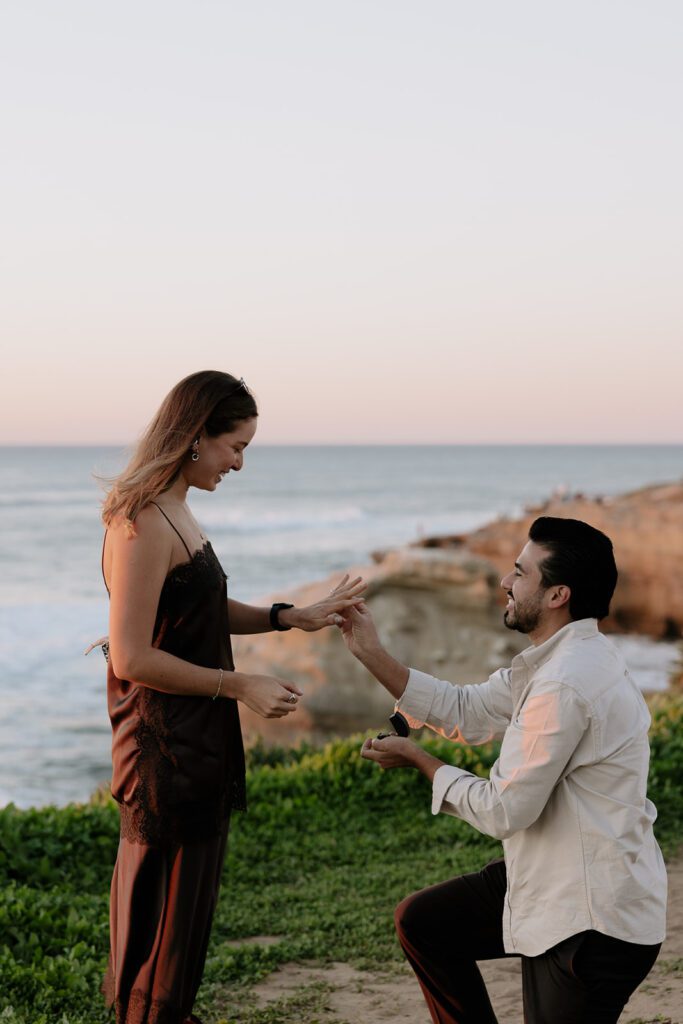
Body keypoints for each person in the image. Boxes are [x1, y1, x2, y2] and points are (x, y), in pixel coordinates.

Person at [98, 370, 364, 1024]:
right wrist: (239, 683)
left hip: (198, 735)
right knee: (158, 912)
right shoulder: (143, 522)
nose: (239, 463)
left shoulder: (177, 508)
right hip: (164, 744)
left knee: (186, 915)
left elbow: (200, 610)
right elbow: (132, 655)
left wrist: (287, 616)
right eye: (234, 446)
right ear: (194, 437)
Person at [339, 517, 667, 1024]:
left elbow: (503, 809)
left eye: (519, 573)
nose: (504, 583)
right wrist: (371, 653)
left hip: (590, 920)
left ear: (557, 594)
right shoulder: (557, 660)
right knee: (425, 922)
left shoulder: (565, 683)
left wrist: (422, 761)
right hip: (550, 876)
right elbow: (466, 709)